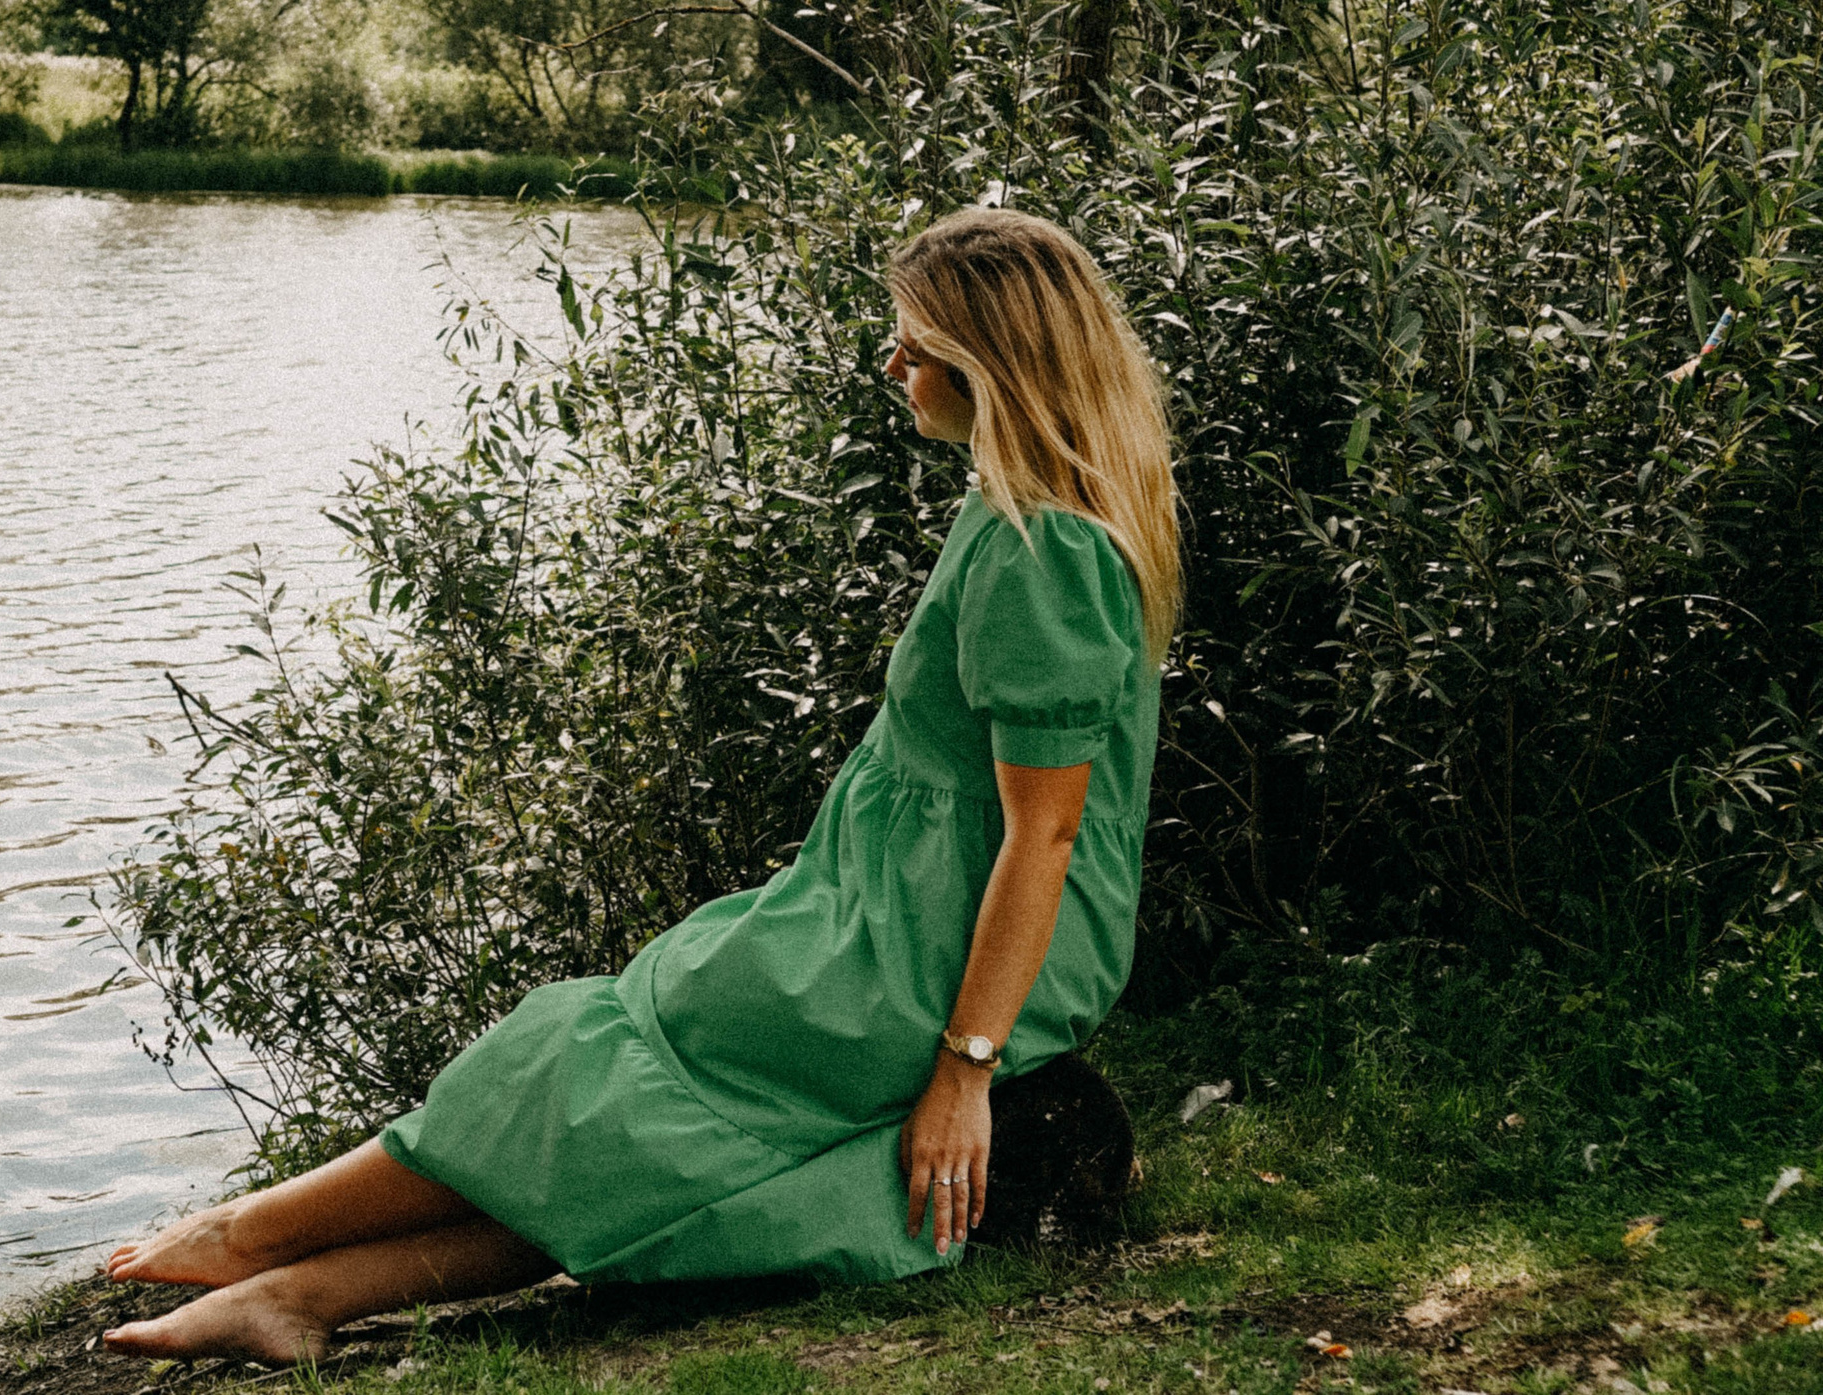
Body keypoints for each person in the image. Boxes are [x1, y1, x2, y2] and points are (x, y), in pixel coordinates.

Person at [97, 207, 1180, 1365]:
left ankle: (248, 1230)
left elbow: (1046, 838)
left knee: (584, 1072)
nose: (891, 364)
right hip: (883, 915)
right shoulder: (1020, 516)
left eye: (914, 344)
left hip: (925, 952)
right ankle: (298, 1296)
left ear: (991, 362)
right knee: (656, 1134)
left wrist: (964, 1072)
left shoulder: (1043, 552)